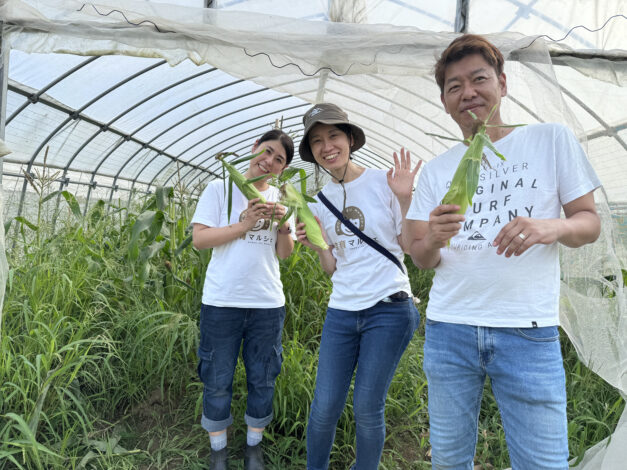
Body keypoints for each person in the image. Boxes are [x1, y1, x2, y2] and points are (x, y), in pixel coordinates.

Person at [404, 34, 601, 469]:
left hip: (527, 332)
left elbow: (589, 223)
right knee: (449, 459)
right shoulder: (438, 170)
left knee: (543, 462)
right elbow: (421, 257)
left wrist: (553, 226)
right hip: (449, 328)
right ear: (444, 100)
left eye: (478, 79)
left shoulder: (549, 140)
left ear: (503, 84)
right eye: (454, 86)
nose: (468, 92)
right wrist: (433, 238)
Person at [295, 103, 421, 470]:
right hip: (342, 312)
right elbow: (333, 268)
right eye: (317, 141)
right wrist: (318, 244)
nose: (326, 146)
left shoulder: (385, 182)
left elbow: (411, 247)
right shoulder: (319, 202)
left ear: (349, 139)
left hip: (390, 309)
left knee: (367, 407)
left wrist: (405, 198)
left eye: (334, 135)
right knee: (323, 407)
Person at [191, 128, 295, 470]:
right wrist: (246, 224)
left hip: (267, 304)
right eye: (266, 152)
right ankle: (218, 450)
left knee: (263, 376)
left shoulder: (280, 198)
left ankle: (253, 446)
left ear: (282, 169)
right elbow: (200, 240)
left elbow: (284, 254)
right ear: (253, 149)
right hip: (222, 302)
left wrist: (283, 226)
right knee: (217, 377)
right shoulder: (219, 188)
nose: (268, 161)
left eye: (278, 159)